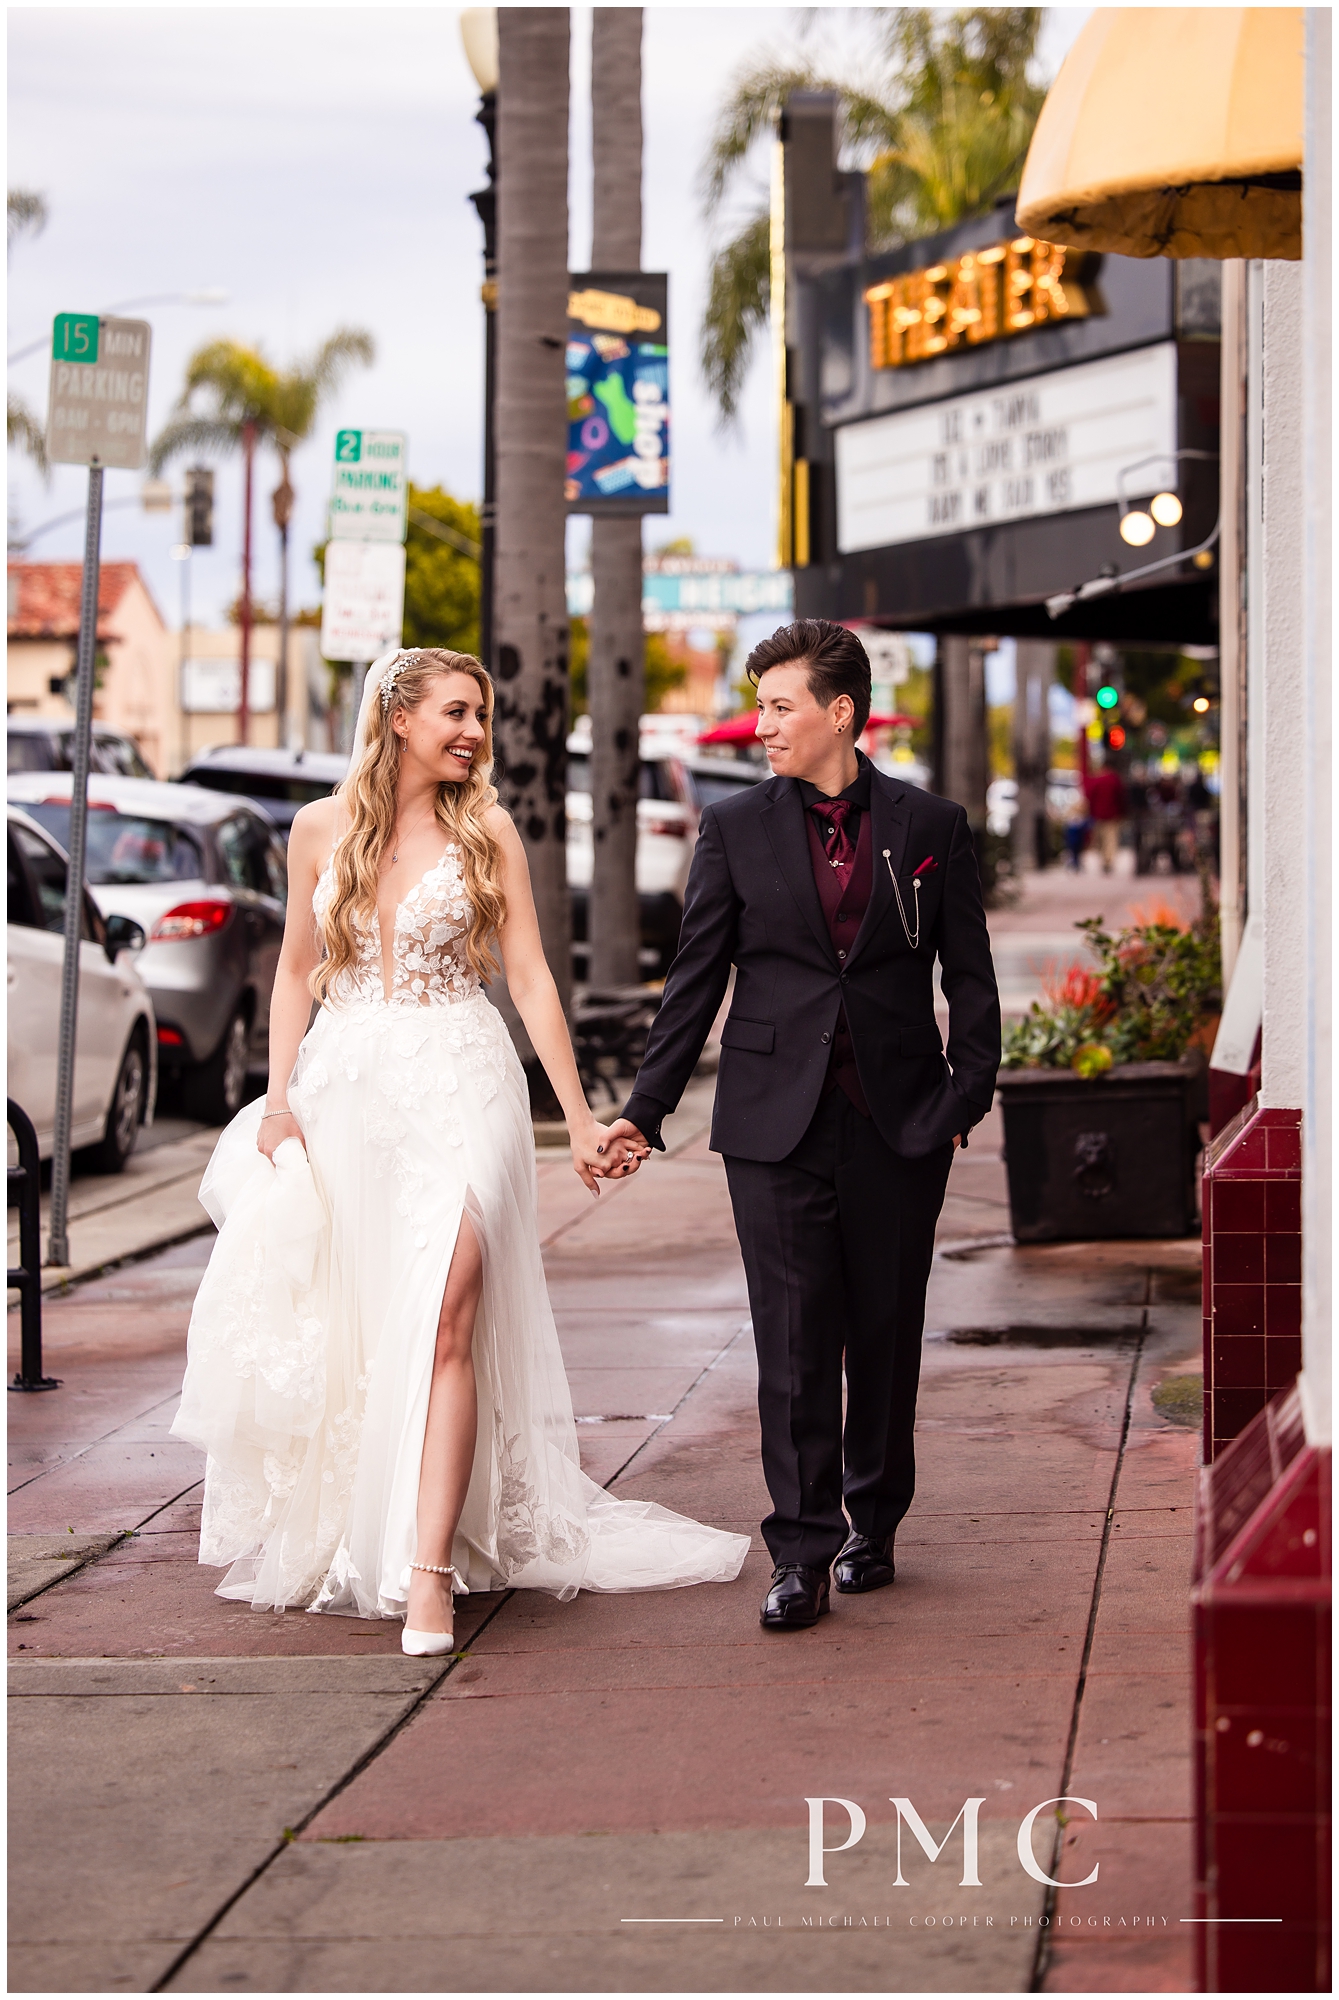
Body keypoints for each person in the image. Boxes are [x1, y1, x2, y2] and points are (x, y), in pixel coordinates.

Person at [172, 648, 748, 1655]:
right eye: (455, 711)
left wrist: (573, 1113)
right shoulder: (317, 829)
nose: (475, 731)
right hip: (347, 1085)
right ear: (397, 716)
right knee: (369, 1315)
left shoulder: (485, 827)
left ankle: (429, 1569)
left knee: (447, 1304)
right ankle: (375, 1518)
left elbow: (527, 977)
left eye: (480, 712)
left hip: (464, 1078)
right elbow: (295, 977)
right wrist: (275, 1104)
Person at [604, 621, 1001, 1632]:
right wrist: (644, 1110)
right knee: (791, 1338)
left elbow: (969, 974)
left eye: (779, 706)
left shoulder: (930, 824)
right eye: (760, 705)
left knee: (882, 1331)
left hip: (900, 1122)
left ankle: (875, 1518)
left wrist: (964, 1096)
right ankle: (800, 1548)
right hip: (769, 1121)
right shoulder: (734, 826)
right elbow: (694, 979)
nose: (762, 724)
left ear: (838, 711)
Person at [1084, 759, 1128, 874]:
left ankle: (1104, 860)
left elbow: (1090, 796)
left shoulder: (1096, 779)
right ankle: (1108, 861)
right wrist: (1122, 812)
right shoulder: (1114, 779)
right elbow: (1121, 797)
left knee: (1100, 839)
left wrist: (1091, 812)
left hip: (1098, 814)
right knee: (1111, 839)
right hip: (1112, 814)